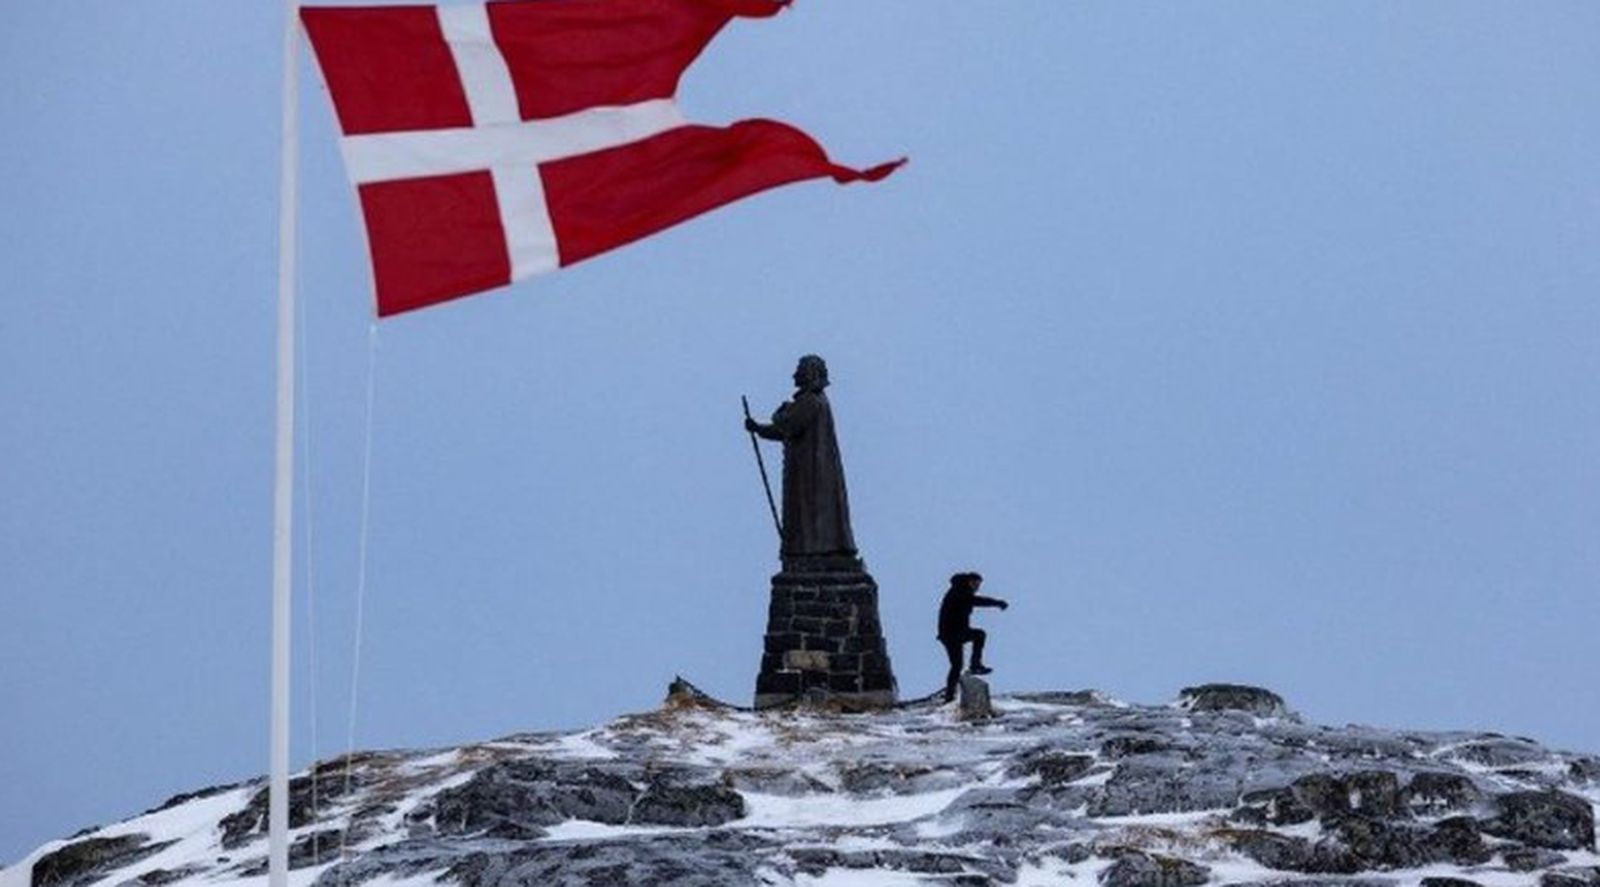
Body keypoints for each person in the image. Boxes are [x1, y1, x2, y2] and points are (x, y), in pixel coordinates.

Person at [744, 355, 857, 562]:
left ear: (810, 373)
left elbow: (789, 425)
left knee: (810, 510)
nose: (795, 375)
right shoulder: (813, 401)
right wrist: (759, 428)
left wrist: (779, 414)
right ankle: (808, 548)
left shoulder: (811, 401)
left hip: (811, 471)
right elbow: (786, 430)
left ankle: (813, 549)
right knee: (807, 511)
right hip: (808, 469)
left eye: (799, 370)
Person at [937, 572, 1008, 702]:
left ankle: (949, 696)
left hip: (951, 634)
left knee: (957, 666)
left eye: (979, 585)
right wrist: (997, 603)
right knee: (979, 635)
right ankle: (975, 665)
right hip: (953, 632)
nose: (977, 588)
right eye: (976, 584)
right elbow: (977, 601)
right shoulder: (960, 591)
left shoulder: (960, 591)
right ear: (970, 581)